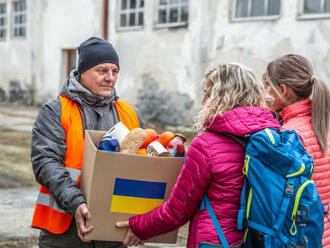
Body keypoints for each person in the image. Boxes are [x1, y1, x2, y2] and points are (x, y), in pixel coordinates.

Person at [116, 63, 281, 247]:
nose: (203, 102)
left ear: (222, 97)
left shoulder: (206, 145)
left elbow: (176, 212)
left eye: (208, 94)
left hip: (215, 242)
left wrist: (137, 226)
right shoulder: (274, 137)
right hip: (261, 240)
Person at [31, 37, 143, 248]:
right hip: (65, 233)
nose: (110, 78)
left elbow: (141, 169)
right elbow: (45, 163)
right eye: (102, 70)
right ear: (81, 71)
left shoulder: (130, 114)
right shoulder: (56, 110)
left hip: (115, 234)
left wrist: (143, 221)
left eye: (115, 71)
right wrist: (76, 202)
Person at [262, 54, 330, 247]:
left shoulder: (289, 135)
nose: (265, 94)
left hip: (301, 236)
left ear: (282, 90)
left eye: (267, 86)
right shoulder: (323, 124)